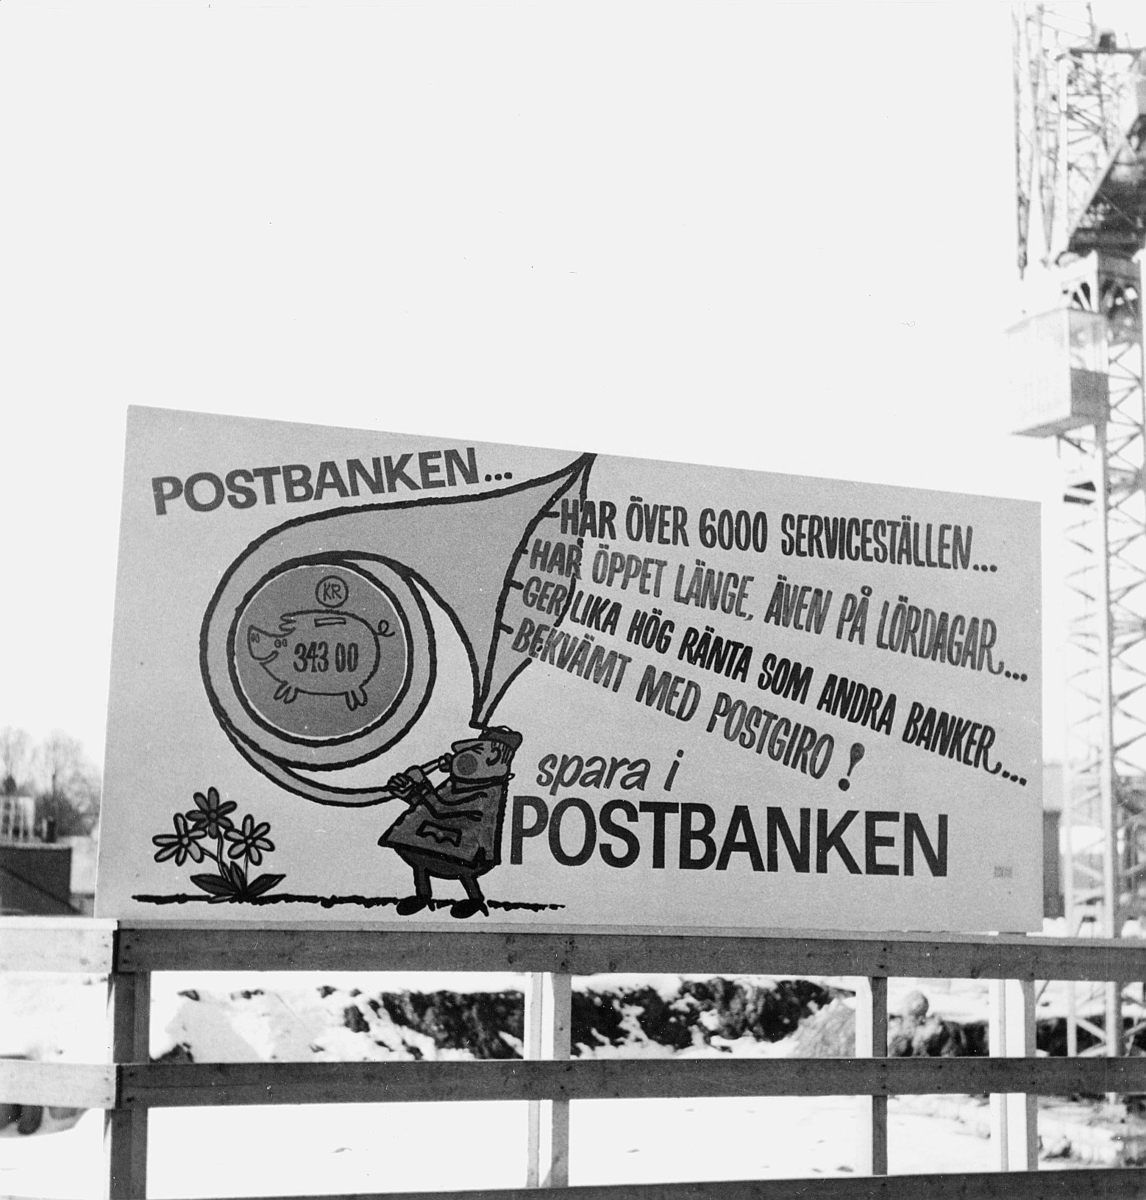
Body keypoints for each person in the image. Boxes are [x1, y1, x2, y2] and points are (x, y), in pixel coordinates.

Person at [378, 726, 522, 919]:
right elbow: (432, 808)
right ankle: (423, 895)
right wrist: (410, 794)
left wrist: (420, 788)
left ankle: (475, 899)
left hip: (468, 852)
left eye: (471, 752)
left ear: (493, 758)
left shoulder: (487, 793)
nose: (460, 758)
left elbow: (442, 810)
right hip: (440, 843)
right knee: (418, 853)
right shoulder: (457, 784)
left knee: (462, 866)